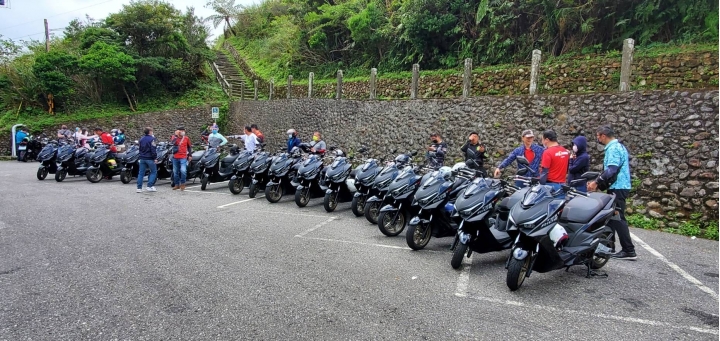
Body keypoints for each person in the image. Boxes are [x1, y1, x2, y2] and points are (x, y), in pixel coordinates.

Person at [588, 126, 636, 260]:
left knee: (618, 217)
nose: (597, 139)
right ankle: (608, 247)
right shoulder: (620, 146)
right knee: (610, 216)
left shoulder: (613, 148)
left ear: (603, 136)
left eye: (598, 136)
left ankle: (629, 250)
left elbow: (611, 170)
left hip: (618, 186)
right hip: (619, 185)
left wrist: (597, 182)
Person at [538, 130, 570, 198]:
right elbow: (567, 168)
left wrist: (540, 186)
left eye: (542, 139)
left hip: (550, 186)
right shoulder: (565, 151)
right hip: (562, 185)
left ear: (546, 140)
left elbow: (544, 172)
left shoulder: (547, 152)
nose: (542, 142)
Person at [170, 126, 193, 191]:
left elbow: (189, 147)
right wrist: (176, 136)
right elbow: (172, 143)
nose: (183, 132)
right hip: (175, 157)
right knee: (175, 172)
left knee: (183, 170)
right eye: (181, 131)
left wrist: (190, 155)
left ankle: (183, 183)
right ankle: (177, 184)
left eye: (183, 131)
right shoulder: (174, 137)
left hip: (183, 157)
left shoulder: (186, 138)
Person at [137, 127, 158, 193]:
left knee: (141, 173)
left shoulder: (141, 139)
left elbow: (140, 148)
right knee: (153, 172)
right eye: (151, 131)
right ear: (150, 132)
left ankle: (139, 188)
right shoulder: (152, 139)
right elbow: (153, 149)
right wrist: (155, 158)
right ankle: (149, 186)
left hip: (142, 157)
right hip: (150, 158)